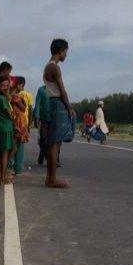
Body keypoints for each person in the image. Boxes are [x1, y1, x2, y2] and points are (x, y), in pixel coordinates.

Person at [43, 39, 75, 188]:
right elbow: (62, 92)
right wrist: (69, 107)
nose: (66, 54)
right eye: (66, 51)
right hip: (57, 105)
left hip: (52, 104)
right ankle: (52, 179)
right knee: (55, 143)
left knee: (52, 142)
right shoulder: (55, 68)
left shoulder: (48, 66)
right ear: (61, 51)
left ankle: (50, 178)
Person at [0, 76, 16, 184]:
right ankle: (2, 176)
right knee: (5, 153)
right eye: (3, 85)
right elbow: (11, 115)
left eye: (7, 85)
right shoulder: (2, 99)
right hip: (5, 128)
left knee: (4, 152)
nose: (6, 87)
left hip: (3, 127)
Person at [11, 77, 34, 172]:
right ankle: (17, 167)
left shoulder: (11, 96)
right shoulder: (18, 96)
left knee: (15, 143)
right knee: (19, 144)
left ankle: (12, 166)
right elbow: (25, 108)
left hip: (17, 120)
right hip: (20, 121)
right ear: (19, 85)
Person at [33, 82, 51, 165]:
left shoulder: (57, 90)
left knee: (55, 140)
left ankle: (55, 158)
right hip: (44, 120)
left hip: (55, 120)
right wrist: (36, 117)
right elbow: (37, 104)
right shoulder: (41, 90)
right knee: (43, 139)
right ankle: (42, 153)